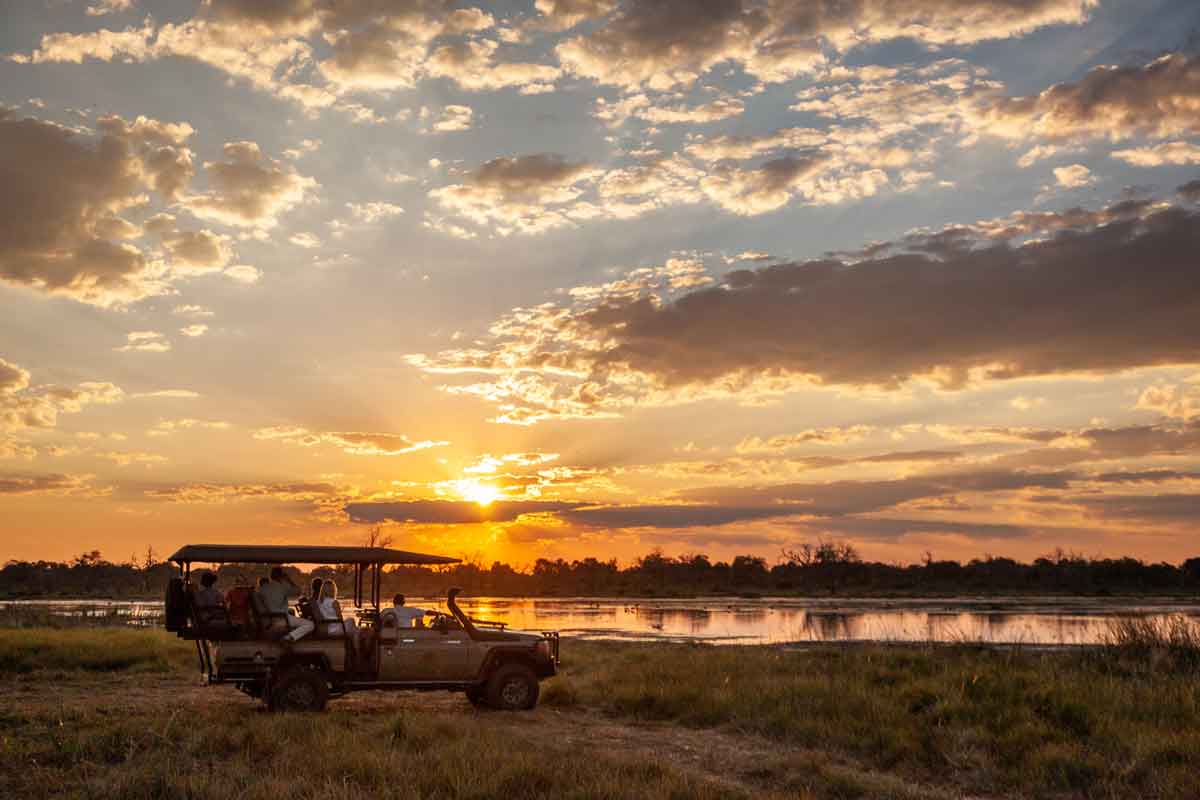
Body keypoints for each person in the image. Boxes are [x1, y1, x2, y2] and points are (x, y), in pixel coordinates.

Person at [258, 566, 313, 642]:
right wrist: (289, 580)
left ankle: (289, 636)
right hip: (282, 619)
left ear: (270, 576)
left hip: (269, 619)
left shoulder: (263, 588)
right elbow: (298, 592)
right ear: (281, 576)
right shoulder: (283, 586)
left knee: (292, 613)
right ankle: (289, 637)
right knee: (310, 624)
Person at [317, 579, 358, 656]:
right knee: (352, 622)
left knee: (354, 629)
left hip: (327, 627)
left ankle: (352, 649)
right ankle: (356, 651)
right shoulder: (334, 602)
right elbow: (340, 618)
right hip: (335, 628)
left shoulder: (319, 602)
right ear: (333, 590)